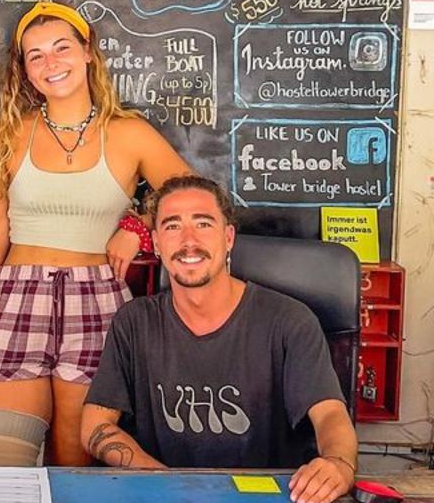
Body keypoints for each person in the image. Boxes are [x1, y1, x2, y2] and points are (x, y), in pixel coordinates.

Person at [0, 0, 192, 466]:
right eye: (36, 55)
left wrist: (137, 227)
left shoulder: (129, 132)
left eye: (62, 47)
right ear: (24, 70)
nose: (51, 62)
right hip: (16, 297)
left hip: (97, 301)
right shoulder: (10, 132)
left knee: (76, 463)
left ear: (87, 51)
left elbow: (193, 197)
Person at [81, 174, 357, 503]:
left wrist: (338, 464)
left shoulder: (290, 321)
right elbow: (95, 425)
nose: (188, 240)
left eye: (203, 224)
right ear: (155, 243)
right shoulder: (134, 322)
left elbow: (329, 414)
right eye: (172, 226)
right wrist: (166, 485)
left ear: (228, 238)